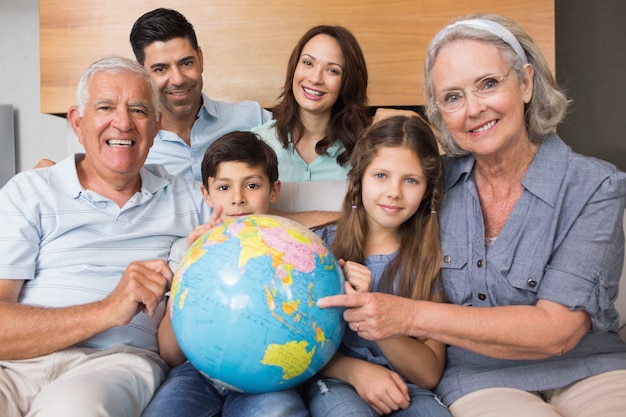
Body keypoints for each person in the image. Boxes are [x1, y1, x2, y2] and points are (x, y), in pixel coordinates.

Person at [317, 14, 626, 417]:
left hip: (590, 368)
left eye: (489, 84)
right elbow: (373, 205)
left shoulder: (595, 187)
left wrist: (405, 314)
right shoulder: (433, 183)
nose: (474, 109)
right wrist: (275, 217)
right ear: (440, 113)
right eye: (452, 97)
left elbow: (558, 332)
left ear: (527, 83)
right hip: (479, 378)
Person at [0, 56, 211, 416]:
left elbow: (267, 221)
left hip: (116, 363)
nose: (124, 122)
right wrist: (108, 309)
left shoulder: (191, 198)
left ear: (157, 125)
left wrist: (342, 212)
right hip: (16, 364)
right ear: (77, 122)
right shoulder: (29, 191)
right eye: (105, 107)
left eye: (139, 110)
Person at [142, 131, 310, 417]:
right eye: (223, 188)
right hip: (194, 374)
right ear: (205, 194)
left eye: (252, 185)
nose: (237, 199)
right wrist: (189, 270)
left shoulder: (296, 251)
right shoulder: (187, 249)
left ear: (274, 191)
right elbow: (171, 354)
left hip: (267, 374)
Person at [304, 115, 450, 417]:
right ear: (360, 178)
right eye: (381, 175)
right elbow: (295, 340)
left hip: (408, 383)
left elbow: (428, 374)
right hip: (337, 378)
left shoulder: (431, 258)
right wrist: (355, 371)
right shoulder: (321, 247)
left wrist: (377, 315)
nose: (394, 191)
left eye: (410, 180)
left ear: (426, 190)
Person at [129, 8, 272, 181]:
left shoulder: (253, 119)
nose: (178, 79)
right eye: (160, 69)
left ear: (200, 59)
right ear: (142, 73)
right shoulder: (129, 142)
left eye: (186, 63)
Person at [252, 25, 370, 182]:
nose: (315, 79)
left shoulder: (367, 150)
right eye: (308, 63)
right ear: (294, 68)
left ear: (347, 84)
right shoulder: (258, 142)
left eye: (332, 70)